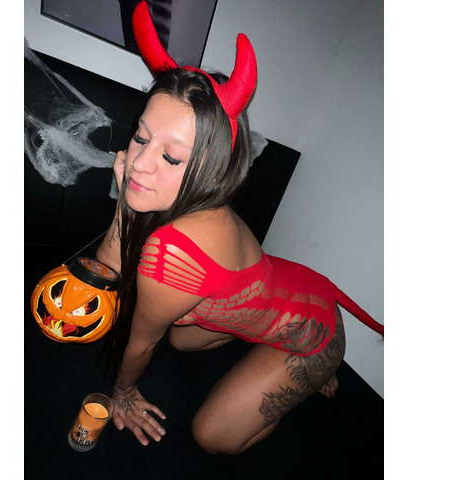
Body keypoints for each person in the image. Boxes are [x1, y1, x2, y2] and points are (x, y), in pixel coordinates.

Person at [94, 1, 383, 455]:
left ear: (211, 167)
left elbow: (140, 343)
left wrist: (123, 393)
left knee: (213, 438)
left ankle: (318, 372)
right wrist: (125, 205)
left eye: (171, 156)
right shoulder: (190, 198)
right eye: (141, 137)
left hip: (315, 335)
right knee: (181, 338)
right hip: (290, 285)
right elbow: (106, 272)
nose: (140, 164)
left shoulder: (175, 251)